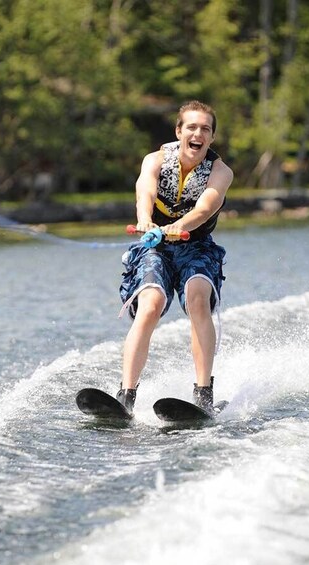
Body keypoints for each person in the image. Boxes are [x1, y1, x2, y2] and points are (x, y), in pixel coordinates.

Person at [116, 100, 234, 415]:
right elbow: (146, 193)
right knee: (151, 303)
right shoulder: (155, 161)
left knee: (197, 297)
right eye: (191, 127)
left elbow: (205, 208)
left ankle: (203, 395)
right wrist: (145, 220)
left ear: (211, 137)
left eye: (205, 129)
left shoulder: (220, 172)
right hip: (155, 246)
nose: (198, 134)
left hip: (197, 246)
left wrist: (177, 227)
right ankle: (126, 395)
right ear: (179, 131)